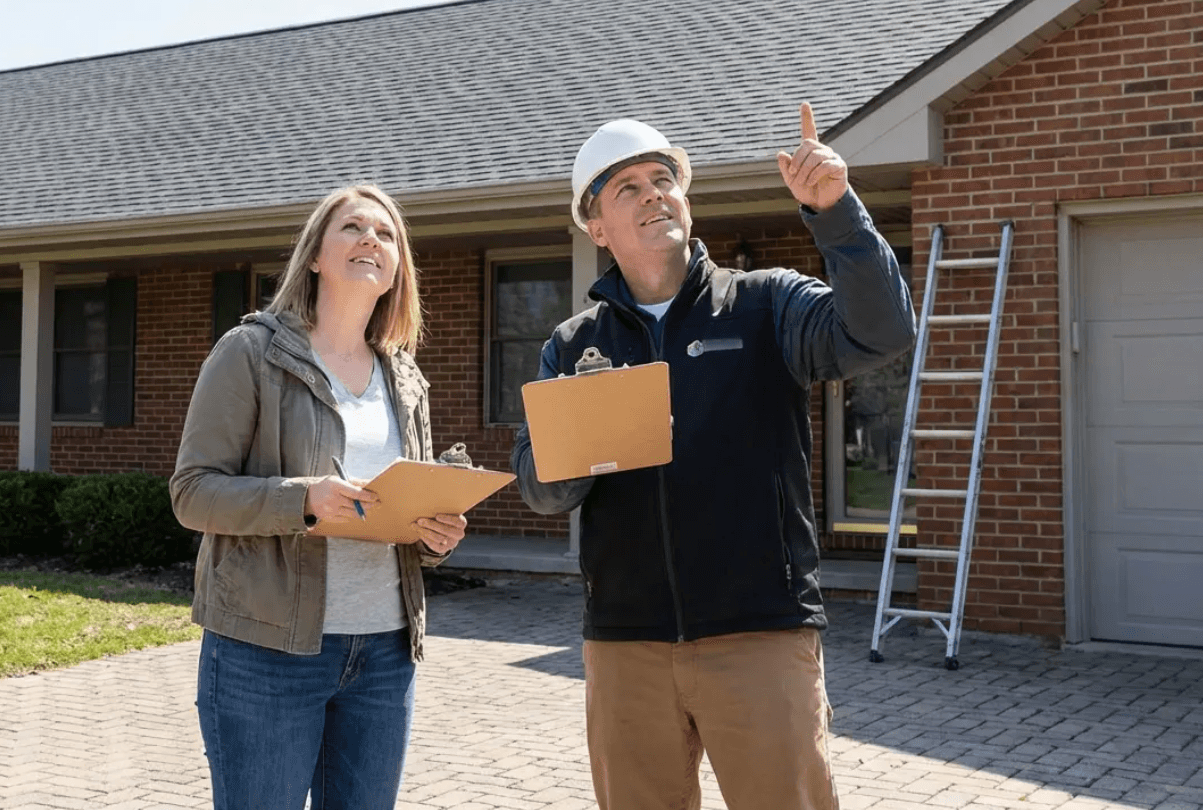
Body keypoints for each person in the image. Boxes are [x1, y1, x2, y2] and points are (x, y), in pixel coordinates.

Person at [512, 104, 916, 810]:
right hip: (625, 647)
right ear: (597, 227)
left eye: (663, 178)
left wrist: (837, 212)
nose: (652, 194)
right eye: (627, 188)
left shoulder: (766, 305)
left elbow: (879, 333)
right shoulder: (573, 346)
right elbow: (539, 487)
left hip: (760, 635)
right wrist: (587, 438)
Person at [170, 183, 468, 810]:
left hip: (386, 654)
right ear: (314, 255)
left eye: (387, 234)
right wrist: (303, 500)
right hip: (268, 653)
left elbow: (398, 513)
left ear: (397, 269)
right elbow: (193, 493)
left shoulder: (405, 378)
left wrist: (434, 534)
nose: (372, 240)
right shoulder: (250, 353)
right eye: (353, 228)